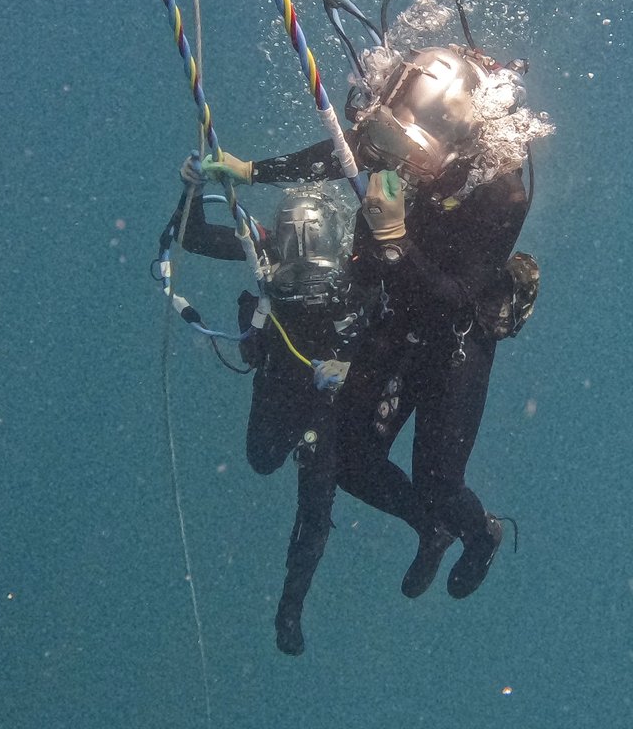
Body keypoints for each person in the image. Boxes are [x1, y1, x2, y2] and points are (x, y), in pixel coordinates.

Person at [201, 35, 547, 603]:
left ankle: (478, 533)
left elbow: (457, 295)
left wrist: (394, 242)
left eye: (416, 152)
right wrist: (253, 171)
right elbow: (343, 154)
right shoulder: (394, 138)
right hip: (400, 315)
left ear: (459, 145)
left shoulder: (501, 193)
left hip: (455, 334)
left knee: (439, 478)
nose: (401, 163)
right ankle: (428, 529)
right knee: (351, 458)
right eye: (392, 141)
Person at [175, 160, 366, 656]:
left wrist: (354, 366)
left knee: (317, 502)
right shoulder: (265, 246)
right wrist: (191, 190)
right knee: (261, 459)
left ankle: (290, 609)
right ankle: (290, 606)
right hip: (282, 379)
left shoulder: (358, 262)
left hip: (327, 392)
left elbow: (385, 318)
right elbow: (192, 237)